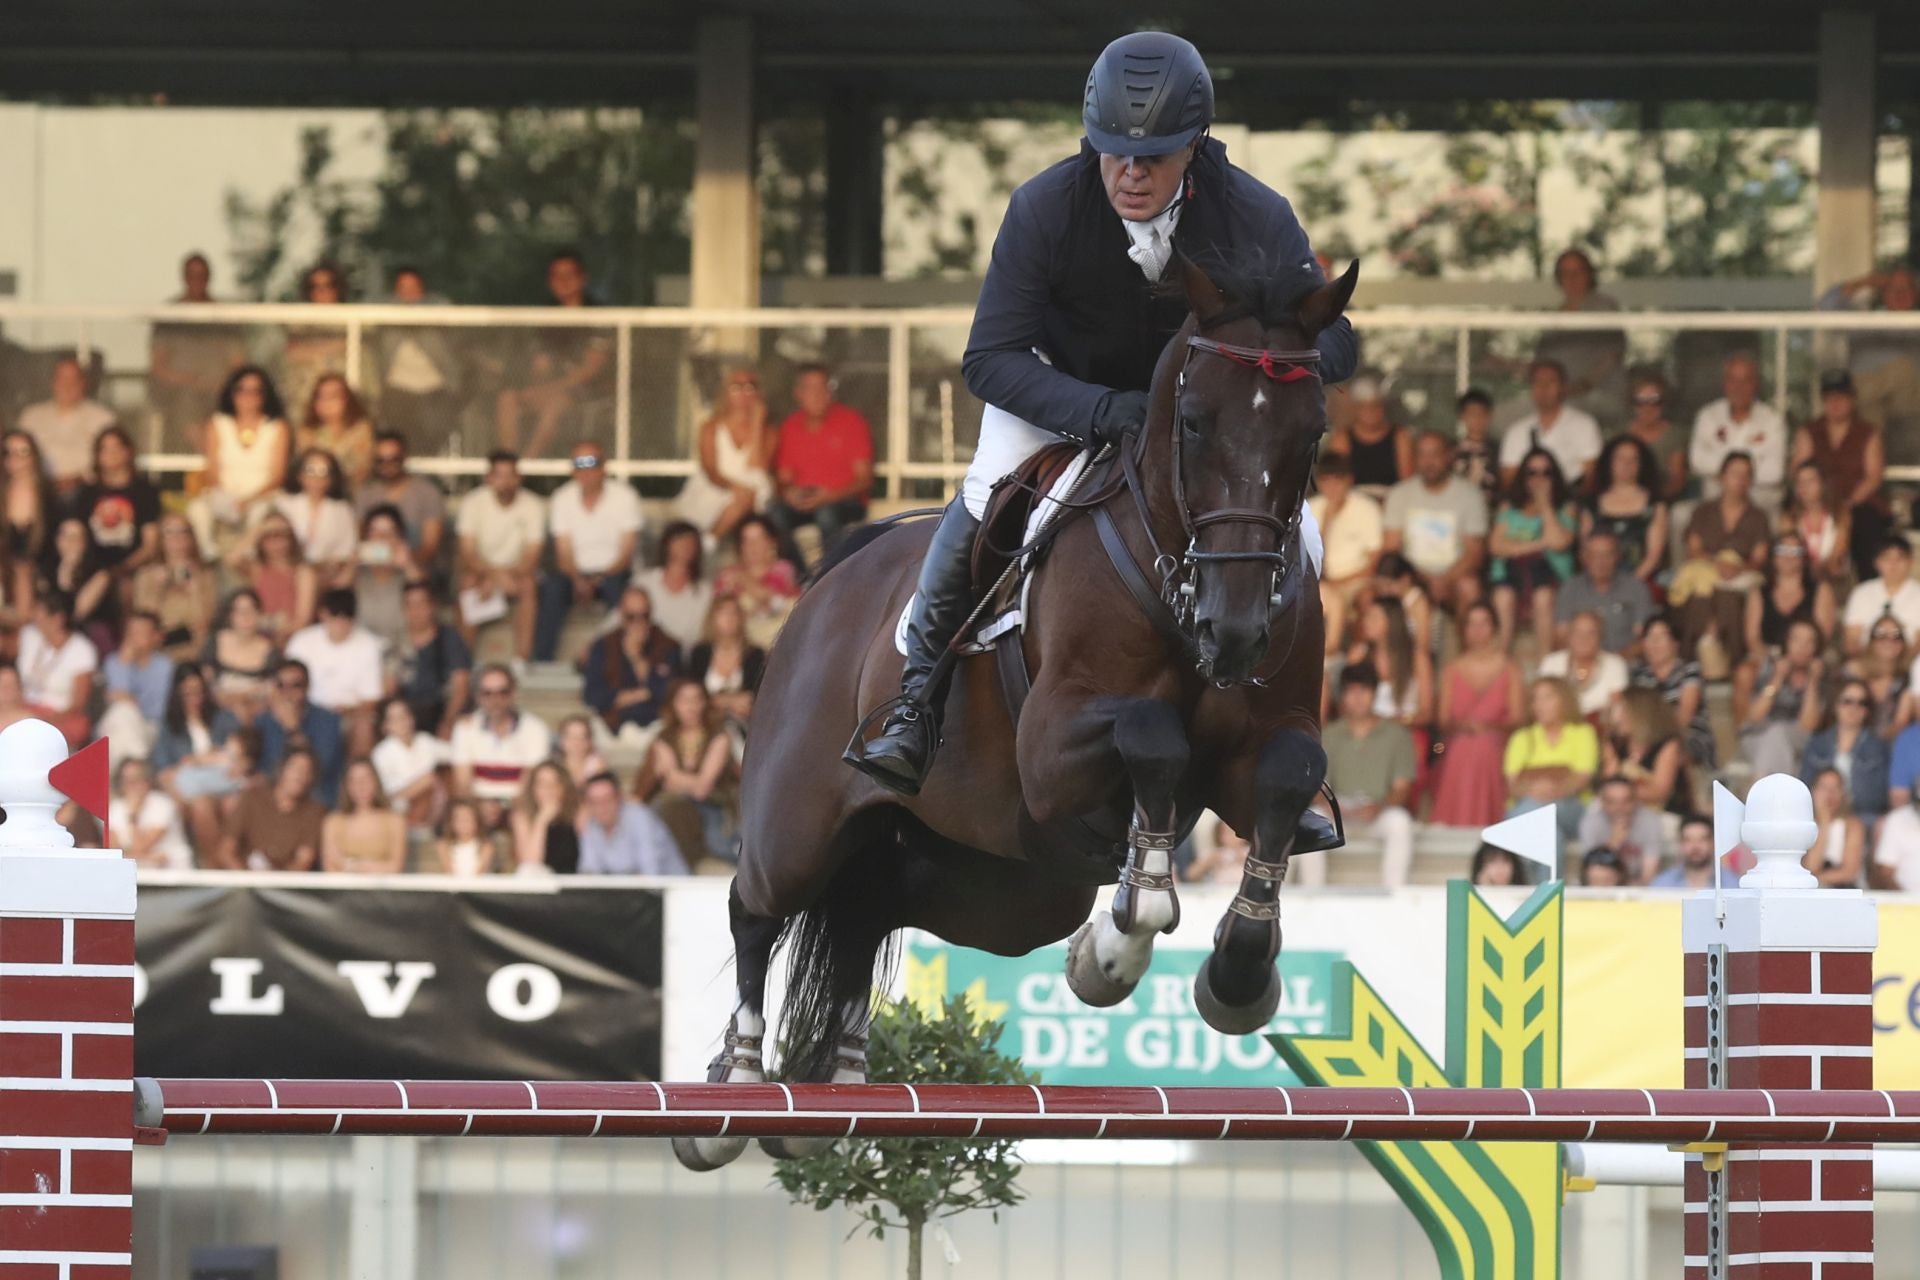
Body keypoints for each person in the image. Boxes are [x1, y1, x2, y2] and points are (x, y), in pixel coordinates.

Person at [848, 30, 1355, 794]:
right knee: (987, 495)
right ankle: (915, 699)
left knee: (1303, 540)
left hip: (1197, 427)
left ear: (1195, 145)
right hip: (1064, 395)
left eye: (1152, 156)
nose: (1129, 171)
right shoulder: (1047, 206)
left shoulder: (1253, 210)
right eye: (1112, 150)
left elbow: (1336, 336)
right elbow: (990, 359)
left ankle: (1285, 733)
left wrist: (1279, 363)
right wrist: (1103, 410)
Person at [1301, 664, 1416, 888]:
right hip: (1337, 810)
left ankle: (1394, 893)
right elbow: (1316, 787)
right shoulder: (1329, 735)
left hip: (1378, 811)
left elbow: (1402, 789)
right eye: (1351, 691)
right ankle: (1312, 894)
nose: (1358, 698)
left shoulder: (1397, 734)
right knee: (1310, 821)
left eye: (1364, 690)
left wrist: (1378, 807)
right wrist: (1335, 809)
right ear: (1342, 696)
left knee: (1400, 823)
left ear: (1374, 693)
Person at [494, 249, 613, 459]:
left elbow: (591, 369)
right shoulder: (546, 313)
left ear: (582, 278)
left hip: (588, 393)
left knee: (554, 406)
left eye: (570, 275)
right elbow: (540, 363)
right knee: (508, 398)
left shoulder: (598, 313)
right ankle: (508, 465)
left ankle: (527, 468)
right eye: (557, 276)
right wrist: (536, 386)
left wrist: (549, 389)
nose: (563, 281)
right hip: (551, 387)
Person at [535, 441, 642, 662]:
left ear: (604, 467)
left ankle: (622, 660)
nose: (586, 470)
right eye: (579, 463)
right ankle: (541, 663)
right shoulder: (562, 498)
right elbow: (563, 553)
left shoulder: (625, 496)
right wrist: (578, 580)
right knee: (551, 590)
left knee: (621, 593)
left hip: (614, 572)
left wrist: (599, 579)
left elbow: (626, 553)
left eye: (592, 462)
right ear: (572, 469)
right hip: (574, 573)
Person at [1430, 601, 1525, 829]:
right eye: (1471, 624)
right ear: (1463, 630)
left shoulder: (1510, 668)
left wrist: (1489, 728)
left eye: (1484, 623)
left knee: (1481, 745)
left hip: (1497, 744)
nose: (1478, 630)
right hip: (1458, 742)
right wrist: (1466, 725)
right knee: (1466, 745)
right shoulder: (1451, 670)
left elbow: (1519, 718)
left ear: (1494, 627)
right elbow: (1443, 720)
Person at [765, 364, 874, 563]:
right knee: (774, 514)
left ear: (830, 392)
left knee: (827, 513)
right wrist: (789, 493)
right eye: (810, 388)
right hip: (807, 502)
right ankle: (801, 577)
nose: (817, 394)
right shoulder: (790, 426)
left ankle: (829, 576)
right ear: (798, 393)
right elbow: (784, 479)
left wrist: (829, 496)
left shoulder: (851, 421)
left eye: (822, 387)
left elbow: (864, 480)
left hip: (844, 501)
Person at [1791, 368, 1889, 583]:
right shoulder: (1809, 431)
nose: (1835, 403)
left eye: (1841, 397)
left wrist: (1847, 504)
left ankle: (1869, 591)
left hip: (1859, 504)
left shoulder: (1868, 432)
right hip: (1816, 504)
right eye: (1829, 398)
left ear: (1852, 399)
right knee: (1792, 529)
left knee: (1867, 528)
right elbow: (1799, 471)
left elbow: (1873, 477)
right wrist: (1816, 501)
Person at [1677, 452, 1771, 673]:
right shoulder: (1703, 512)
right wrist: (1717, 564)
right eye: (1734, 473)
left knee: (1730, 595)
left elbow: (1759, 559)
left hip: (1741, 573)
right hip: (1707, 569)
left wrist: (1736, 568)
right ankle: (1695, 659)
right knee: (1702, 592)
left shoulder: (1758, 516)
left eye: (1746, 475)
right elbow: (1693, 549)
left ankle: (1731, 661)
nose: (1740, 479)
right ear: (1721, 477)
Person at [1381, 430, 1487, 619]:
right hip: (1412, 576)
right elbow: (1392, 548)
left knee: (1469, 586)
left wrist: (1444, 580)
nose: (1428, 461)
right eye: (1422, 454)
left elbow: (1474, 554)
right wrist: (1423, 580)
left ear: (1448, 456)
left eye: (1435, 454)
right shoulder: (1399, 495)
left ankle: (1469, 649)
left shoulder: (1470, 495)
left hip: (1454, 577)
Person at [634, 680, 740, 869]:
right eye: (683, 700)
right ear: (673, 704)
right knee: (663, 808)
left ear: (704, 703)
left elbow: (702, 789)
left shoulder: (719, 736)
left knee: (721, 846)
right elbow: (655, 784)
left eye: (696, 700)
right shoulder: (664, 737)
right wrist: (686, 782)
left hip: (715, 806)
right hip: (678, 810)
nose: (690, 706)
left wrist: (673, 775)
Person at [190, 366, 291, 560]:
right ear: (232, 393)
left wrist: (249, 500)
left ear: (265, 395)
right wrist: (227, 498)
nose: (248, 397)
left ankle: (249, 554)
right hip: (224, 495)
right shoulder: (218, 423)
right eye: (242, 390)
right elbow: (211, 469)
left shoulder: (277, 427)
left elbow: (278, 474)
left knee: (259, 513)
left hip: (263, 496)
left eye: (256, 391)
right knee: (197, 510)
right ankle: (208, 554)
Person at [455, 450, 545, 662]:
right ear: (488, 478)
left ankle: (521, 659)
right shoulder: (473, 502)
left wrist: (501, 578)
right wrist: (494, 579)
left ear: (519, 478)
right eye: (498, 475)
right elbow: (468, 553)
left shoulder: (532, 505)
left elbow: (532, 557)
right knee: (468, 584)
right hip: (481, 573)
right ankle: (463, 661)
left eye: (510, 475)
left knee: (529, 586)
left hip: (516, 575)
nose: (505, 482)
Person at [1488, 446, 1578, 650]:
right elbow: (1496, 546)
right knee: (1503, 596)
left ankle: (1545, 663)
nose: (1539, 478)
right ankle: (1502, 661)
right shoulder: (1509, 507)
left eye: (1546, 473)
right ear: (1523, 476)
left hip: (1551, 578)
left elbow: (1559, 543)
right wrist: (1540, 543)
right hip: (1510, 577)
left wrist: (1545, 504)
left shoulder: (1565, 507)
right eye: (1532, 472)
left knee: (1543, 597)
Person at [284, 588, 386, 757]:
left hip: (348, 714)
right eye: (335, 617)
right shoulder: (302, 641)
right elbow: (285, 683)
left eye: (346, 619)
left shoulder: (368, 645)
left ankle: (357, 778)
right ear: (323, 615)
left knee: (364, 726)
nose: (340, 624)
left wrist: (346, 710)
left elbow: (371, 700)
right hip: (306, 710)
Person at [677, 366, 774, 541]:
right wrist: (735, 488)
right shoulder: (710, 427)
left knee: (749, 494)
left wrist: (757, 424)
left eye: (750, 387)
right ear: (725, 392)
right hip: (715, 489)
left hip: (750, 495)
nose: (744, 393)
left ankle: (709, 544)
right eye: (736, 387)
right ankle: (710, 542)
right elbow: (711, 471)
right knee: (744, 496)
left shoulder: (769, 432)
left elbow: (757, 469)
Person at [1503, 676, 1599, 848]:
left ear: (1564, 701)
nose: (1540, 704)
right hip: (1530, 805)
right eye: (1535, 699)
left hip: (1570, 807)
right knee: (1551, 835)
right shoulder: (1521, 737)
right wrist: (1538, 790)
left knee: (1529, 816)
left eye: (1548, 697)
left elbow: (1581, 779)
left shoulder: (1583, 733)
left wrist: (1550, 791)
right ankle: (1548, 876)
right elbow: (1513, 786)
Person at [449, 664, 552, 824]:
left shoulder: (535, 729)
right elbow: (463, 783)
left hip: (518, 805)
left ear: (513, 694)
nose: (494, 700)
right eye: (487, 693)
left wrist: (505, 807)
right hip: (477, 804)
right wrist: (479, 806)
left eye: (502, 692)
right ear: (478, 697)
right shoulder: (465, 728)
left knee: (521, 817)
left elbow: (530, 781)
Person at [239, 658, 347, 808]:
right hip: (271, 792)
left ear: (307, 688)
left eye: (295, 685)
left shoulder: (328, 720)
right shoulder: (263, 721)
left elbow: (320, 769)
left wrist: (293, 729)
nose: (287, 693)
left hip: (316, 794)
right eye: (281, 685)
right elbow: (257, 766)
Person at [1538, 248, 1627, 428]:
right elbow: (1542, 363)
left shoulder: (1603, 306)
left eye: (1578, 271)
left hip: (1598, 394)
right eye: (1565, 273)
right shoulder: (1553, 316)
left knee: (1565, 414)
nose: (1571, 278)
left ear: (1589, 275)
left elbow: (1613, 354)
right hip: (1561, 396)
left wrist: (1584, 385)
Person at [375, 266, 463, 443]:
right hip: (397, 388)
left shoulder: (435, 315)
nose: (408, 295)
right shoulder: (387, 319)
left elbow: (446, 307)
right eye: (403, 289)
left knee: (435, 428)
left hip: (435, 388)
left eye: (414, 288)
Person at [583, 586, 682, 743]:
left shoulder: (668, 646)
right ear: (621, 616)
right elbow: (592, 695)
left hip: (654, 725)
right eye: (631, 617)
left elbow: (669, 693)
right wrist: (642, 694)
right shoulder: (604, 645)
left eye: (644, 616)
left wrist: (636, 658)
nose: (639, 622)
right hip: (613, 725)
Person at [1689, 353, 1788, 509]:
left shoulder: (1772, 420)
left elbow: (1775, 472)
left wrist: (1723, 469)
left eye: (1746, 380)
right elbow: (1698, 461)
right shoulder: (1708, 416)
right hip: (1715, 507)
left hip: (1761, 507)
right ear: (1724, 384)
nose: (1739, 387)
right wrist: (1752, 465)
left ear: (1755, 384)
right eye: (1733, 380)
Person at [1309, 454, 1384, 655]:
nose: (1332, 488)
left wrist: (1339, 583)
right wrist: (1327, 520)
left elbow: (1372, 564)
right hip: (1320, 581)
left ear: (1348, 480)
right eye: (1326, 481)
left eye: (1337, 481)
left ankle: (1358, 654)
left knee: (1366, 597)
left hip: (1356, 579)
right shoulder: (1311, 509)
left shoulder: (1366, 508)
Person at [1737, 617, 1827, 781]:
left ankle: (1756, 797)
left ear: (1816, 647)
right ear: (1786, 643)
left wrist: (1812, 682)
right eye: (1796, 640)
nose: (1802, 647)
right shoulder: (1769, 669)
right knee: (1773, 739)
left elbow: (1807, 726)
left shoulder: (1821, 677)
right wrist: (1777, 678)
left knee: (1778, 734)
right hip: (1758, 736)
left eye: (1809, 642)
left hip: (1797, 738)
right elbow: (1754, 717)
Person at [1498, 358, 1602, 490]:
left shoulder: (1584, 425)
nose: (1544, 388)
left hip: (1571, 502)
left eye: (1550, 382)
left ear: (1564, 387)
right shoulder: (1516, 431)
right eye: (1538, 382)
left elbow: (1591, 476)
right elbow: (1508, 478)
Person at [1801, 676, 1891, 827]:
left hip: (1861, 818)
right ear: (1835, 705)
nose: (1853, 708)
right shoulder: (1817, 743)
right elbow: (1804, 788)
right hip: (1819, 817)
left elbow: (1878, 799)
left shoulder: (1878, 747)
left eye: (1861, 703)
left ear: (1867, 710)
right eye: (1847, 701)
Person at [72, 426, 161, 580]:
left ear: (128, 451)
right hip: (93, 569)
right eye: (104, 449)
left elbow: (150, 545)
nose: (111, 454)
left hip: (134, 569)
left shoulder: (145, 491)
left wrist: (122, 570)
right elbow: (77, 537)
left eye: (116, 447)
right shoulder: (87, 493)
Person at [216, 747, 326, 872]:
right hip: (243, 881)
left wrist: (274, 882)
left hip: (282, 887)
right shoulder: (252, 799)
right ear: (282, 769)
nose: (300, 775)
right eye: (295, 768)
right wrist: (247, 880)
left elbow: (303, 862)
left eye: (307, 771)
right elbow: (225, 851)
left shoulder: (314, 813)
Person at [1743, 535, 1838, 678]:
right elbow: (1752, 638)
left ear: (1803, 557)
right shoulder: (1758, 593)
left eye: (1795, 551)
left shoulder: (1821, 590)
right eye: (1783, 550)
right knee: (1744, 674)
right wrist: (1772, 662)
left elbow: (1823, 634)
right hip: (1769, 655)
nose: (1789, 556)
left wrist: (1799, 659)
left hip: (1809, 653)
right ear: (1773, 555)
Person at [15, 355, 114, 491]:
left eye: (74, 379)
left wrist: (77, 480)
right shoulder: (31, 417)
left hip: (87, 490)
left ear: (83, 383)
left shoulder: (103, 418)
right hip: (38, 490)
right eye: (62, 379)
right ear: (52, 382)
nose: (67, 385)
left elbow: (112, 460)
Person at [1631, 613, 1715, 770]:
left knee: (1671, 751)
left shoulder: (1690, 670)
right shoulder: (1639, 675)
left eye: (1661, 637)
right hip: (1648, 737)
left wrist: (1656, 742)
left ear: (1675, 643)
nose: (1655, 644)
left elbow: (1685, 716)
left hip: (1688, 734)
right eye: (1650, 637)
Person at [1582, 436, 1668, 587]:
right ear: (1609, 462)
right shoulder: (1592, 504)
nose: (1626, 464)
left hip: (1642, 580)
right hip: (1597, 582)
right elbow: (1585, 550)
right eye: (1620, 458)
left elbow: (1654, 556)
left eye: (1633, 459)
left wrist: (1628, 585)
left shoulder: (1655, 505)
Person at [353, 433, 448, 570]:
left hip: (417, 571)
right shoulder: (365, 495)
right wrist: (385, 559)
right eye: (381, 460)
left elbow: (430, 548)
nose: (387, 465)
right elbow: (359, 541)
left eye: (394, 459)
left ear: (404, 458)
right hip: (372, 570)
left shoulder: (427, 493)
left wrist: (404, 563)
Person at [132, 515, 219, 662]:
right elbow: (144, 624)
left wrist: (195, 590)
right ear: (161, 538)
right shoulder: (146, 575)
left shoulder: (205, 575)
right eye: (170, 532)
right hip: (159, 650)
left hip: (194, 651)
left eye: (182, 531)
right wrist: (158, 590)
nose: (176, 537)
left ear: (191, 537)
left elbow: (205, 622)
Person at [393, 581, 472, 739]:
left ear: (432, 607)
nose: (416, 611)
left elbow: (461, 687)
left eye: (421, 604)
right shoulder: (396, 641)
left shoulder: (450, 639)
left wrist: (448, 722)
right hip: (408, 715)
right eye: (410, 605)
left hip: (442, 711)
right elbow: (390, 688)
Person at [1554, 529, 1653, 655]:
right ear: (1584, 557)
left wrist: (1613, 663)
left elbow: (1645, 639)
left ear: (1617, 556)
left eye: (1607, 555)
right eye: (1594, 555)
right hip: (1582, 665)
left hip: (1626, 666)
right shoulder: (1570, 589)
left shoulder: (1636, 588)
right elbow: (1562, 637)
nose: (1600, 561)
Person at [19, 591, 97, 747]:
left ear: (58, 618)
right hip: (24, 708)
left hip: (60, 716)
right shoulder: (29, 635)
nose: (35, 617)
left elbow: (78, 704)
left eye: (39, 613)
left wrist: (43, 721)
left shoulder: (82, 650)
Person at [96, 611, 174, 767]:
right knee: (122, 713)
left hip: (151, 728)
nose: (133, 638)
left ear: (156, 637)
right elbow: (118, 701)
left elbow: (158, 712)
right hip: (114, 724)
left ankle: (123, 779)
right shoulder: (115, 662)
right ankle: (136, 773)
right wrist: (124, 663)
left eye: (140, 633)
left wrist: (129, 703)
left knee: (124, 717)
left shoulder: (166, 668)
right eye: (131, 633)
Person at [1602, 687, 1693, 818]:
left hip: (1665, 815)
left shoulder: (1668, 744)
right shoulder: (1616, 744)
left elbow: (1659, 793)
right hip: (1624, 815)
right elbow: (1608, 785)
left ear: (1641, 714)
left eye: (1624, 710)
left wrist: (1622, 791)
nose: (1619, 717)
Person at [272, 448, 358, 585]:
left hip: (327, 579)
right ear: (300, 474)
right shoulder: (283, 505)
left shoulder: (342, 510)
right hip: (287, 576)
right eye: (311, 470)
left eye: (323, 472)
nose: (317, 478)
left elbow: (347, 550)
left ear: (332, 477)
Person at [714, 515, 800, 648]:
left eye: (758, 539)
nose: (752, 546)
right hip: (741, 646)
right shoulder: (727, 574)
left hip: (778, 642)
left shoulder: (783, 569)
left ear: (772, 542)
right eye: (746, 540)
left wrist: (744, 580)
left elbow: (773, 602)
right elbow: (719, 612)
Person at [576, 771, 686, 875]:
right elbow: (589, 874)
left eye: (607, 799)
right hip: (626, 893)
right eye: (595, 802)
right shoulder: (592, 825)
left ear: (619, 798)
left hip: (675, 891)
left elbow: (651, 874)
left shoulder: (640, 817)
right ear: (588, 805)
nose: (602, 808)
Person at [229, 513, 316, 645]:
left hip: (291, 643)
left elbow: (303, 621)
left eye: (282, 536)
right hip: (259, 643)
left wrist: (276, 627)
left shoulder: (303, 572)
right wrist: (259, 529)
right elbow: (232, 559)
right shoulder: (257, 569)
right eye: (269, 538)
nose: (277, 544)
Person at [1323, 371, 1411, 500]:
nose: (1371, 412)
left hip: (1392, 501)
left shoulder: (1399, 436)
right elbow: (1337, 481)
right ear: (1356, 409)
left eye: (1375, 405)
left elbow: (1407, 483)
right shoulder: (1342, 439)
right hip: (1354, 503)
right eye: (1365, 406)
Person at [634, 520, 714, 653]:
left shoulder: (705, 592)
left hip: (687, 659)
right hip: (648, 654)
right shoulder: (644, 582)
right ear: (667, 544)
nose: (685, 546)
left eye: (691, 542)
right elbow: (620, 617)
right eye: (680, 540)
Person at [351, 505, 422, 652]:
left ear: (400, 538)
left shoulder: (408, 573)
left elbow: (425, 602)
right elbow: (336, 600)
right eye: (375, 532)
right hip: (360, 649)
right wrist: (351, 565)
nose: (381, 538)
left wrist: (408, 565)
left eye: (389, 533)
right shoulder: (357, 573)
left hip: (403, 649)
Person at [688, 595, 765, 728]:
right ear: (712, 618)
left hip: (744, 724)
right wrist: (729, 701)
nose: (729, 618)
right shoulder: (699, 653)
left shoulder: (755, 655)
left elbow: (753, 697)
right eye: (723, 612)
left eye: (734, 612)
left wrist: (717, 700)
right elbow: (692, 695)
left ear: (741, 618)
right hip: (704, 723)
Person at [370, 697, 446, 833]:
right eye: (394, 718)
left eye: (404, 715)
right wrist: (423, 783)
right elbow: (387, 796)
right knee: (429, 781)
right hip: (398, 811)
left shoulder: (425, 741)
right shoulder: (380, 753)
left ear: (412, 718)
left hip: (432, 806)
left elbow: (456, 754)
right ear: (385, 726)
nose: (402, 722)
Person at [0, 430, 54, 615]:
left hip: (41, 572)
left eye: (22, 451)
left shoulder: (49, 496)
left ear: (34, 456)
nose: (15, 458)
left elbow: (54, 546)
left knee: (23, 569)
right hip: (4, 573)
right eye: (8, 452)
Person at [1539, 611, 1630, 720]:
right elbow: (1542, 706)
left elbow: (1616, 710)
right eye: (1577, 632)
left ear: (1600, 637)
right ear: (1568, 636)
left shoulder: (1615, 665)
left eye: (1591, 633)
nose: (1583, 638)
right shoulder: (1551, 663)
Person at [321, 759, 408, 874]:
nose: (360, 785)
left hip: (384, 889)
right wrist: (367, 867)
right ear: (347, 786)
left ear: (376, 781)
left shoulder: (395, 820)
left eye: (366, 779)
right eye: (354, 781)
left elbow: (395, 867)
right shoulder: (334, 821)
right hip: (344, 889)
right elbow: (331, 865)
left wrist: (351, 865)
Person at [41, 517, 116, 651]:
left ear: (86, 542)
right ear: (57, 541)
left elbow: (77, 613)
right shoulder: (46, 570)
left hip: (86, 633)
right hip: (49, 629)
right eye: (65, 535)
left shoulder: (100, 574)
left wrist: (68, 569)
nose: (70, 542)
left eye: (76, 537)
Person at [1577, 775, 1666, 885]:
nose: (1619, 808)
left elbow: (1649, 876)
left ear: (1636, 801)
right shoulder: (1591, 823)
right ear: (1602, 802)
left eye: (1626, 801)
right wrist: (1613, 843)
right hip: (1602, 889)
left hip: (1638, 890)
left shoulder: (1650, 822)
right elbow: (1591, 876)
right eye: (1612, 802)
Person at [1842, 535, 1920, 657]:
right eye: (1887, 558)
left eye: (1900, 558)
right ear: (1876, 562)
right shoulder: (1862, 592)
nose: (1893, 564)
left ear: (1911, 561)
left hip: (1907, 663)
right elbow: (1851, 639)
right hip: (1868, 661)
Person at [1617, 371, 1689, 502]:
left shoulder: (1675, 435)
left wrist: (1654, 501)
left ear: (1664, 402)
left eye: (1655, 401)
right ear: (1632, 403)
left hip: (1662, 500)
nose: (1647, 407)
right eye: (1640, 401)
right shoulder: (1622, 435)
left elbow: (1677, 480)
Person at [109, 757, 192, 870]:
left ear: (147, 781)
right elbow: (113, 853)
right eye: (126, 780)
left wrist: (133, 817)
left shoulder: (163, 804)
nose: (131, 785)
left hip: (172, 873)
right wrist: (147, 857)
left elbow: (140, 847)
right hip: (136, 873)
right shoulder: (116, 807)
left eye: (136, 779)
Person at [1782, 460, 1853, 588]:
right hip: (1800, 581)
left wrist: (1821, 568)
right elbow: (1789, 553)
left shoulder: (1840, 514)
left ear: (1824, 483)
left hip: (1834, 579)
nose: (1804, 487)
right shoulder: (1789, 518)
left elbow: (1838, 553)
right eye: (1799, 482)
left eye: (1810, 481)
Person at [298, 374, 376, 489]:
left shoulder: (361, 430)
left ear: (346, 399)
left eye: (333, 396)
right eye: (321, 396)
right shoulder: (306, 433)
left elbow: (363, 469)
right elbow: (306, 470)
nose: (327, 402)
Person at [512, 760, 581, 874]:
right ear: (533, 788)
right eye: (542, 784)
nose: (548, 789)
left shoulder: (577, 812)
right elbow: (531, 863)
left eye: (554, 783)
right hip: (540, 883)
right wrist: (542, 821)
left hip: (572, 880)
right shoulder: (522, 816)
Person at [1851, 618, 1913, 741]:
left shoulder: (1909, 679)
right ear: (1871, 640)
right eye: (1881, 635)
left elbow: (1900, 723)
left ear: (1903, 642)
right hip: (1851, 745)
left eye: (1896, 635)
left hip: (1890, 748)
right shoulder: (1852, 673)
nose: (1889, 641)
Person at [1805, 766, 1867, 889]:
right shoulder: (1804, 826)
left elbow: (1849, 872)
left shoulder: (1853, 825)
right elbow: (1810, 866)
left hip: (1845, 890)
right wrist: (1824, 823)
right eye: (1824, 787)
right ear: (1813, 792)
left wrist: (1814, 879)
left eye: (1836, 787)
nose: (1830, 794)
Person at [1452, 388, 1499, 504]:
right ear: (1462, 416)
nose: (1477, 419)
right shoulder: (1451, 451)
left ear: (1489, 416)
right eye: (1472, 413)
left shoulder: (1499, 451)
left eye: (1481, 414)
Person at [1649, 814, 1718, 889]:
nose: (1695, 846)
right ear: (1680, 843)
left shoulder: (1730, 885)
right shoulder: (1662, 884)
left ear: (1713, 843)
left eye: (1702, 839)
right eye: (1688, 840)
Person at [435, 799, 500, 876]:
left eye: (468, 818)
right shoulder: (443, 845)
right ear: (451, 822)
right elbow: (448, 871)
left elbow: (480, 873)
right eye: (459, 819)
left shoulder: (486, 846)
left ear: (477, 821)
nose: (464, 823)